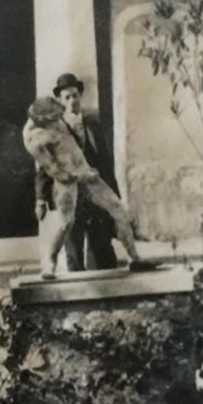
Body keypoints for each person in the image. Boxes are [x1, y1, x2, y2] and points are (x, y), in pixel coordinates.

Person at [23, 95, 144, 279]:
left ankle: (134, 258)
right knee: (65, 224)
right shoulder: (33, 138)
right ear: (43, 121)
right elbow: (55, 171)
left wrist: (85, 167)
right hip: (67, 181)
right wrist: (80, 176)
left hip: (86, 172)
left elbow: (76, 137)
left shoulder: (56, 113)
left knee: (119, 210)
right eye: (54, 119)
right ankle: (49, 265)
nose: (58, 121)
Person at [34, 72, 119, 271]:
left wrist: (115, 197)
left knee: (102, 247)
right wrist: (40, 198)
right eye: (67, 97)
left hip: (96, 194)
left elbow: (106, 164)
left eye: (75, 95)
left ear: (80, 96)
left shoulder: (93, 125)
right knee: (74, 251)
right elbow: (45, 165)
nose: (72, 101)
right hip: (70, 195)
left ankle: (107, 294)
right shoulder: (55, 130)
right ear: (60, 101)